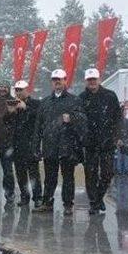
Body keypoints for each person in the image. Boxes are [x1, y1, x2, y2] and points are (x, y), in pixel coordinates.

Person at [32, 69, 86, 216]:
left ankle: (68, 204)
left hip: (67, 146)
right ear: (52, 82)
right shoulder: (45, 102)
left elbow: (83, 121)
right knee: (50, 177)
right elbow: (38, 126)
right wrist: (36, 146)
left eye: (60, 79)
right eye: (55, 79)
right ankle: (47, 203)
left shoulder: (74, 100)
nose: (57, 82)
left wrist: (73, 118)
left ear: (65, 80)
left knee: (68, 177)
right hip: (50, 145)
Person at [79, 68, 122, 215]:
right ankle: (94, 203)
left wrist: (117, 137)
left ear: (99, 79)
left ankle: (98, 198)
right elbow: (78, 120)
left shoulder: (110, 96)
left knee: (107, 174)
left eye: (94, 79)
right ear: (86, 81)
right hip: (89, 143)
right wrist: (82, 137)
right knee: (90, 175)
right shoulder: (81, 98)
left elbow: (118, 118)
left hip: (107, 142)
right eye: (89, 80)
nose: (92, 82)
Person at [7, 80, 42, 209]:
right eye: (16, 90)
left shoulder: (36, 103)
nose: (18, 92)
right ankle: (24, 197)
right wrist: (10, 112)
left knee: (34, 174)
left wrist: (26, 108)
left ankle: (38, 198)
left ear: (28, 90)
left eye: (21, 89)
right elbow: (7, 123)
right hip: (17, 145)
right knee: (20, 174)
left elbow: (38, 118)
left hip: (31, 144)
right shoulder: (14, 104)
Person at [0, 81, 17, 206]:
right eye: (1, 87)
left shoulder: (13, 101)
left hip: (7, 143)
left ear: (9, 89)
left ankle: (10, 194)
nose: (3, 89)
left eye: (5, 87)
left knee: (8, 171)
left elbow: (16, 122)